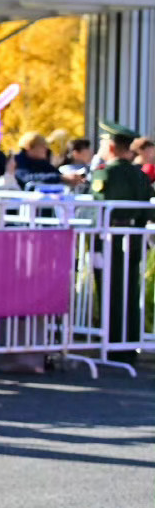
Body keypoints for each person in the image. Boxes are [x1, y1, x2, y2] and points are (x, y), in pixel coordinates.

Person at [89, 121, 153, 362]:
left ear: (112, 147)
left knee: (110, 290)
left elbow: (96, 207)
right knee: (130, 289)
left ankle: (113, 343)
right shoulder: (140, 174)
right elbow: (148, 211)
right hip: (134, 240)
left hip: (109, 240)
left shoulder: (106, 172)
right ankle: (129, 343)